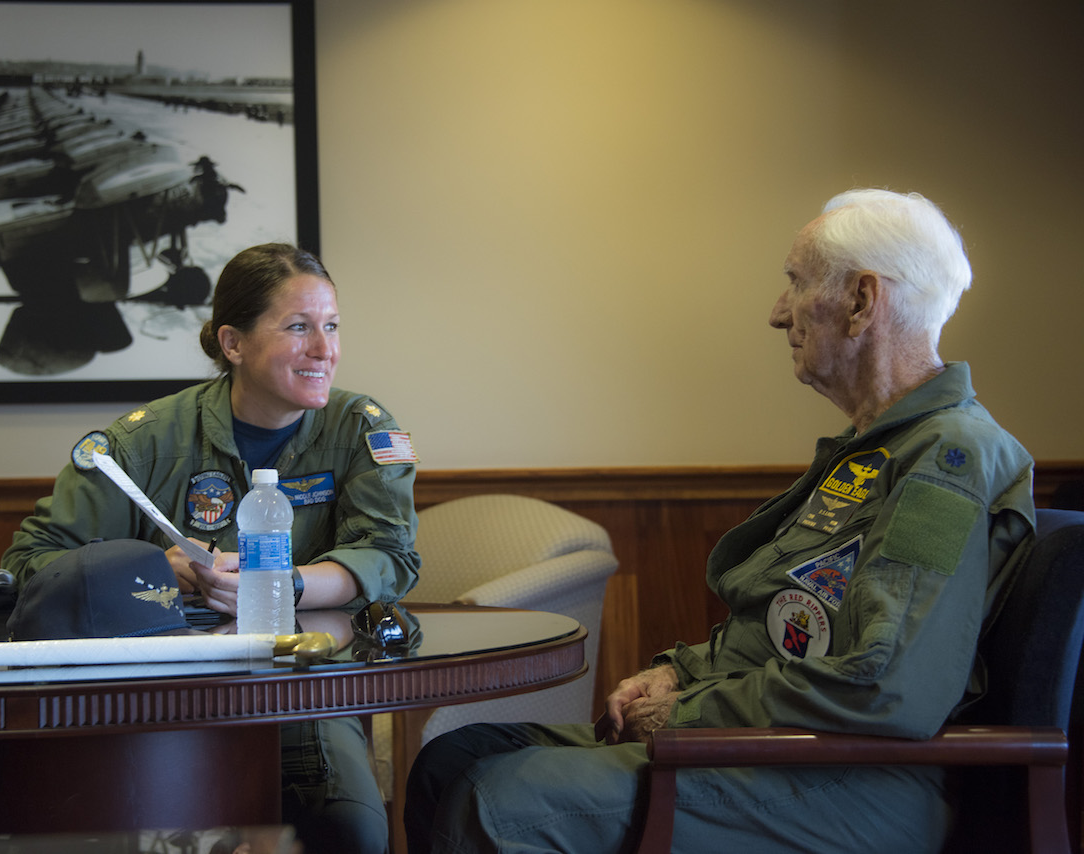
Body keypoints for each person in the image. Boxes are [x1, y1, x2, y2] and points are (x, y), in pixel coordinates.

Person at [404, 190, 1036, 854]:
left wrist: (693, 711)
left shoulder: (947, 458)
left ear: (861, 301)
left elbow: (885, 686)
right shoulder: (873, 448)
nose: (776, 313)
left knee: (497, 802)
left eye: (796, 283)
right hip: (776, 745)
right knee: (452, 761)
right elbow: (790, 621)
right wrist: (683, 672)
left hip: (852, 777)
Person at [2, 243, 421, 854]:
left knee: (351, 832)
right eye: (299, 327)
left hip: (303, 689)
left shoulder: (361, 429)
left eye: (331, 327)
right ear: (233, 343)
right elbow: (32, 561)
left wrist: (287, 584)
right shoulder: (143, 442)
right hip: (155, 697)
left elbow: (391, 555)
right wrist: (152, 572)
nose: (325, 350)